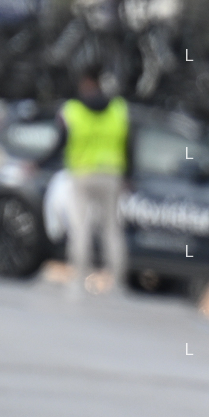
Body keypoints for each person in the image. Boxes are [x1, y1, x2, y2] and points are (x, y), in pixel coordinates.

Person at [40, 63, 133, 295]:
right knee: (111, 229)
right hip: (111, 174)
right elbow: (129, 145)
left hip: (82, 174)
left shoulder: (73, 109)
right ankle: (117, 281)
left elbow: (59, 143)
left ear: (86, 83)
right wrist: (129, 176)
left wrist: (38, 163)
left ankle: (79, 279)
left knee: (80, 228)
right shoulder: (119, 109)